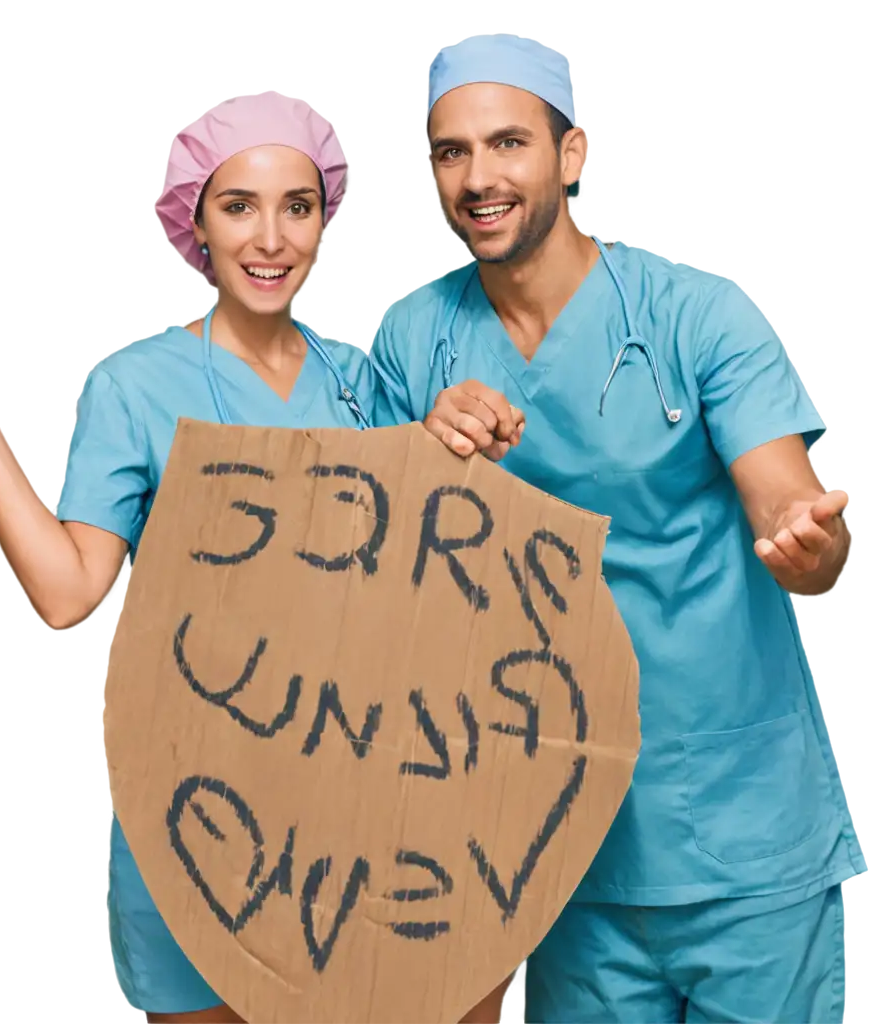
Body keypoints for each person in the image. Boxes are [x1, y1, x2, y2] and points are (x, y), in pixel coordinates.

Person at [0, 88, 510, 1024]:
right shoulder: (134, 387)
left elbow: (419, 568)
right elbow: (69, 595)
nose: (270, 238)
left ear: (322, 221)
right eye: (239, 206)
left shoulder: (360, 384)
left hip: (358, 815)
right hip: (199, 814)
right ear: (196, 221)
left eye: (297, 208)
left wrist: (455, 426)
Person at [368, 31, 864, 1024]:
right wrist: (418, 459)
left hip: (735, 832)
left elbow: (789, 509)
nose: (478, 177)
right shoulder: (411, 335)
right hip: (549, 846)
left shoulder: (697, 316)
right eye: (450, 151)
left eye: (508, 143)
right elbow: (367, 583)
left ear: (571, 154)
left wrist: (804, 540)